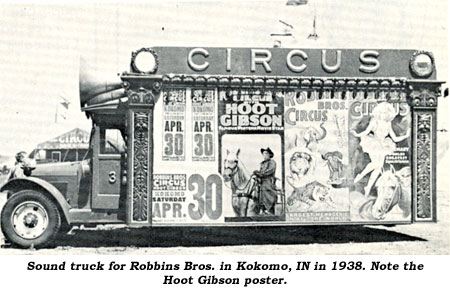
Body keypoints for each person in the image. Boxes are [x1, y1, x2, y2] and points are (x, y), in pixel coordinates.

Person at [352, 102, 409, 197]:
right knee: (376, 164)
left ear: (389, 114)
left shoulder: (388, 123)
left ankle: (368, 187)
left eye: (386, 113)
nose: (383, 115)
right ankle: (360, 176)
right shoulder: (374, 121)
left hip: (384, 145)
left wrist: (406, 136)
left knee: (378, 168)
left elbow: (394, 138)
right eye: (382, 112)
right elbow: (366, 132)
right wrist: (357, 134)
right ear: (378, 113)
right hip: (373, 143)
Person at [253, 148, 278, 215]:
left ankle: (268, 208)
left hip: (268, 181)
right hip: (262, 181)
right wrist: (257, 174)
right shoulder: (262, 163)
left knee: (265, 188)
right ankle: (257, 207)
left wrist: (260, 174)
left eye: (266, 153)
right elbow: (260, 172)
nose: (265, 155)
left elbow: (270, 171)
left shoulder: (272, 162)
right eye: (263, 154)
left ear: (270, 154)